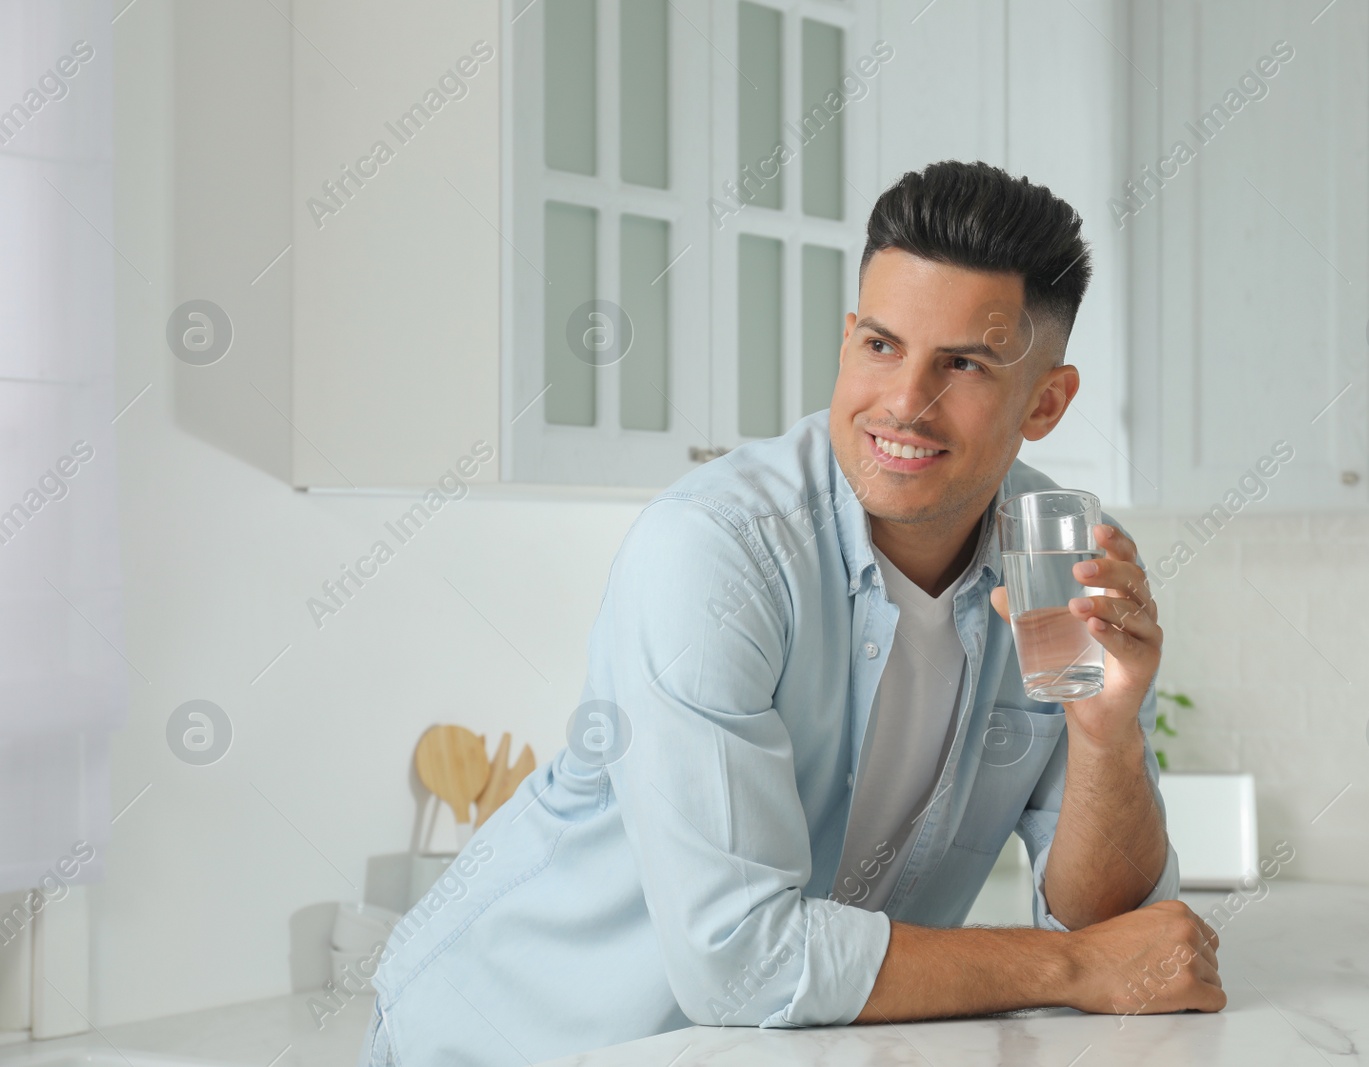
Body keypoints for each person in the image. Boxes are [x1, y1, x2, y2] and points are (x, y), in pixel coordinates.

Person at [357, 159, 1224, 1067]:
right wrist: (1071, 966)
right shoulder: (717, 549)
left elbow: (1126, 940)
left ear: (1045, 401)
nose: (904, 402)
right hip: (509, 1039)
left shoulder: (1060, 561)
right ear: (849, 337)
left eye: (962, 364)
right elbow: (740, 962)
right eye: (882, 345)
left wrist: (1106, 734)